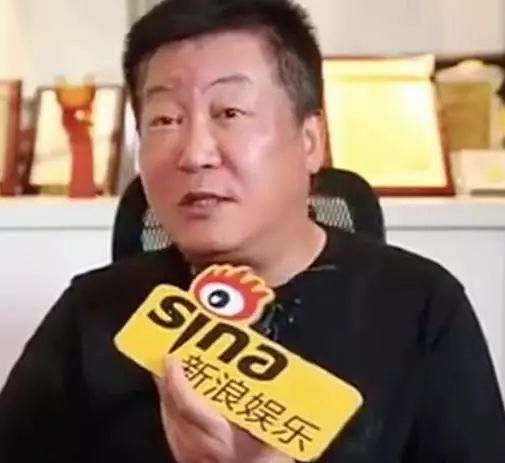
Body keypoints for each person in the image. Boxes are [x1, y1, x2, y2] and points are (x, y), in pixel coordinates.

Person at [1, 0, 504, 461]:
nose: (195, 153)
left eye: (230, 113)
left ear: (310, 140)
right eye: (165, 119)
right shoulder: (92, 313)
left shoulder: (421, 306)